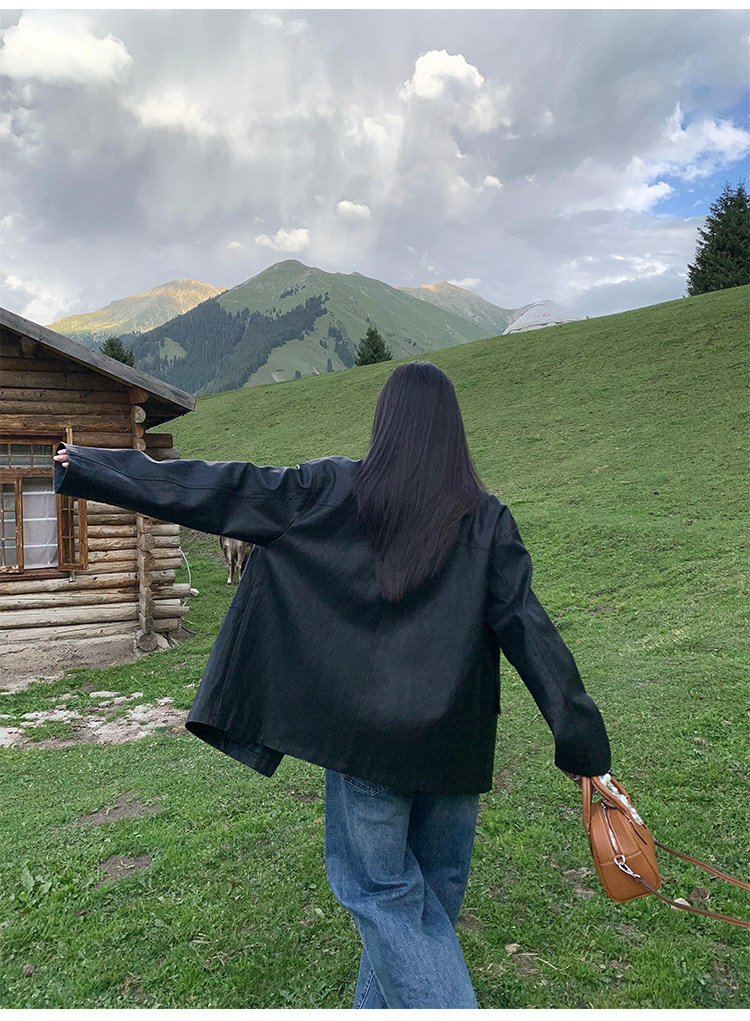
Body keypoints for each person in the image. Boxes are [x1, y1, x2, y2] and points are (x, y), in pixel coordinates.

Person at [53, 361, 611, 1009]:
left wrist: (93, 465)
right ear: (452, 431)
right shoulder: (487, 520)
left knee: (389, 904)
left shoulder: (330, 489)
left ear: (386, 423)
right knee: (420, 909)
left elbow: (220, 488)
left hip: (367, 744)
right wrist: (583, 745)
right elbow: (532, 634)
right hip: (455, 749)